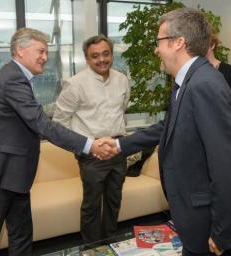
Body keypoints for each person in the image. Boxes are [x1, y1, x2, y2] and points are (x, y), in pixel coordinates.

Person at [99, 8, 231, 256]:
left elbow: (224, 164)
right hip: (190, 216)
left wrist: (223, 232)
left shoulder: (204, 84)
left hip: (205, 221)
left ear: (179, 42)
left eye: (159, 41)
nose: (156, 49)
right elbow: (166, 126)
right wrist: (119, 145)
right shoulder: (188, 80)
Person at [0, 28, 114, 256]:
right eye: (40, 51)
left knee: (21, 236)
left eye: (46, 52)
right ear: (21, 51)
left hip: (14, 174)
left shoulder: (18, 76)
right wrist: (90, 145)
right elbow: (42, 124)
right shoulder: (12, 78)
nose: (45, 57)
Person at [53, 34, 130, 243]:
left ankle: (111, 242)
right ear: (87, 59)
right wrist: (84, 148)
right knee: (92, 205)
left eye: (106, 54)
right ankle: (92, 247)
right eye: (95, 56)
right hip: (92, 155)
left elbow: (121, 110)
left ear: (112, 54)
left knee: (114, 200)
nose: (101, 59)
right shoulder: (75, 84)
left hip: (117, 149)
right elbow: (60, 123)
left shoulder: (122, 80)